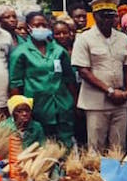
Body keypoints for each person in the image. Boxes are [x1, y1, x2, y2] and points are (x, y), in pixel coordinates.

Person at [71, 0, 127, 151]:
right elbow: (83, 71)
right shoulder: (84, 38)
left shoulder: (122, 38)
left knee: (118, 147)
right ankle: (95, 175)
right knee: (96, 148)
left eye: (111, 16)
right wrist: (109, 91)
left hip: (120, 100)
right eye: (103, 16)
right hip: (96, 102)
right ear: (94, 16)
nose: (107, 20)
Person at [9, 11, 77, 146]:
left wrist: (73, 103)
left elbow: (70, 80)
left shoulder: (58, 51)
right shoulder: (21, 52)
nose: (41, 28)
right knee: (41, 147)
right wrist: (20, 111)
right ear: (28, 27)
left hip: (62, 107)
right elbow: (15, 85)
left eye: (44, 25)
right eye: (36, 25)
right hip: (37, 108)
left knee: (65, 146)